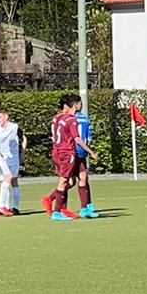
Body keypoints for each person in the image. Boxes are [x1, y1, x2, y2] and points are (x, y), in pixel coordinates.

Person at [44, 94, 85, 222]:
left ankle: (59, 206)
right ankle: (58, 208)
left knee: (70, 181)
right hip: (64, 151)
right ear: (66, 106)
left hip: (57, 150)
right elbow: (74, 137)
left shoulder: (57, 118)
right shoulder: (67, 119)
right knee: (65, 180)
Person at [72, 96, 100, 218]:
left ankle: (86, 206)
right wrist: (90, 150)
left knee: (83, 177)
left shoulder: (65, 118)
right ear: (76, 104)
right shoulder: (82, 118)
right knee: (69, 181)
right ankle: (53, 201)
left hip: (74, 152)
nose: (82, 105)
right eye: (80, 103)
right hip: (75, 152)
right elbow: (88, 137)